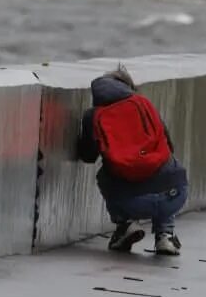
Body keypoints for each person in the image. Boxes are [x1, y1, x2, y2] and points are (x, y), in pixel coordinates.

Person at [76, 66, 187, 256]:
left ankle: (125, 224)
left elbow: (88, 156)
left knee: (105, 175)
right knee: (167, 164)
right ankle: (165, 235)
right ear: (128, 88)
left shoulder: (93, 115)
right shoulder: (144, 103)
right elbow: (169, 145)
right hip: (174, 195)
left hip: (132, 200)